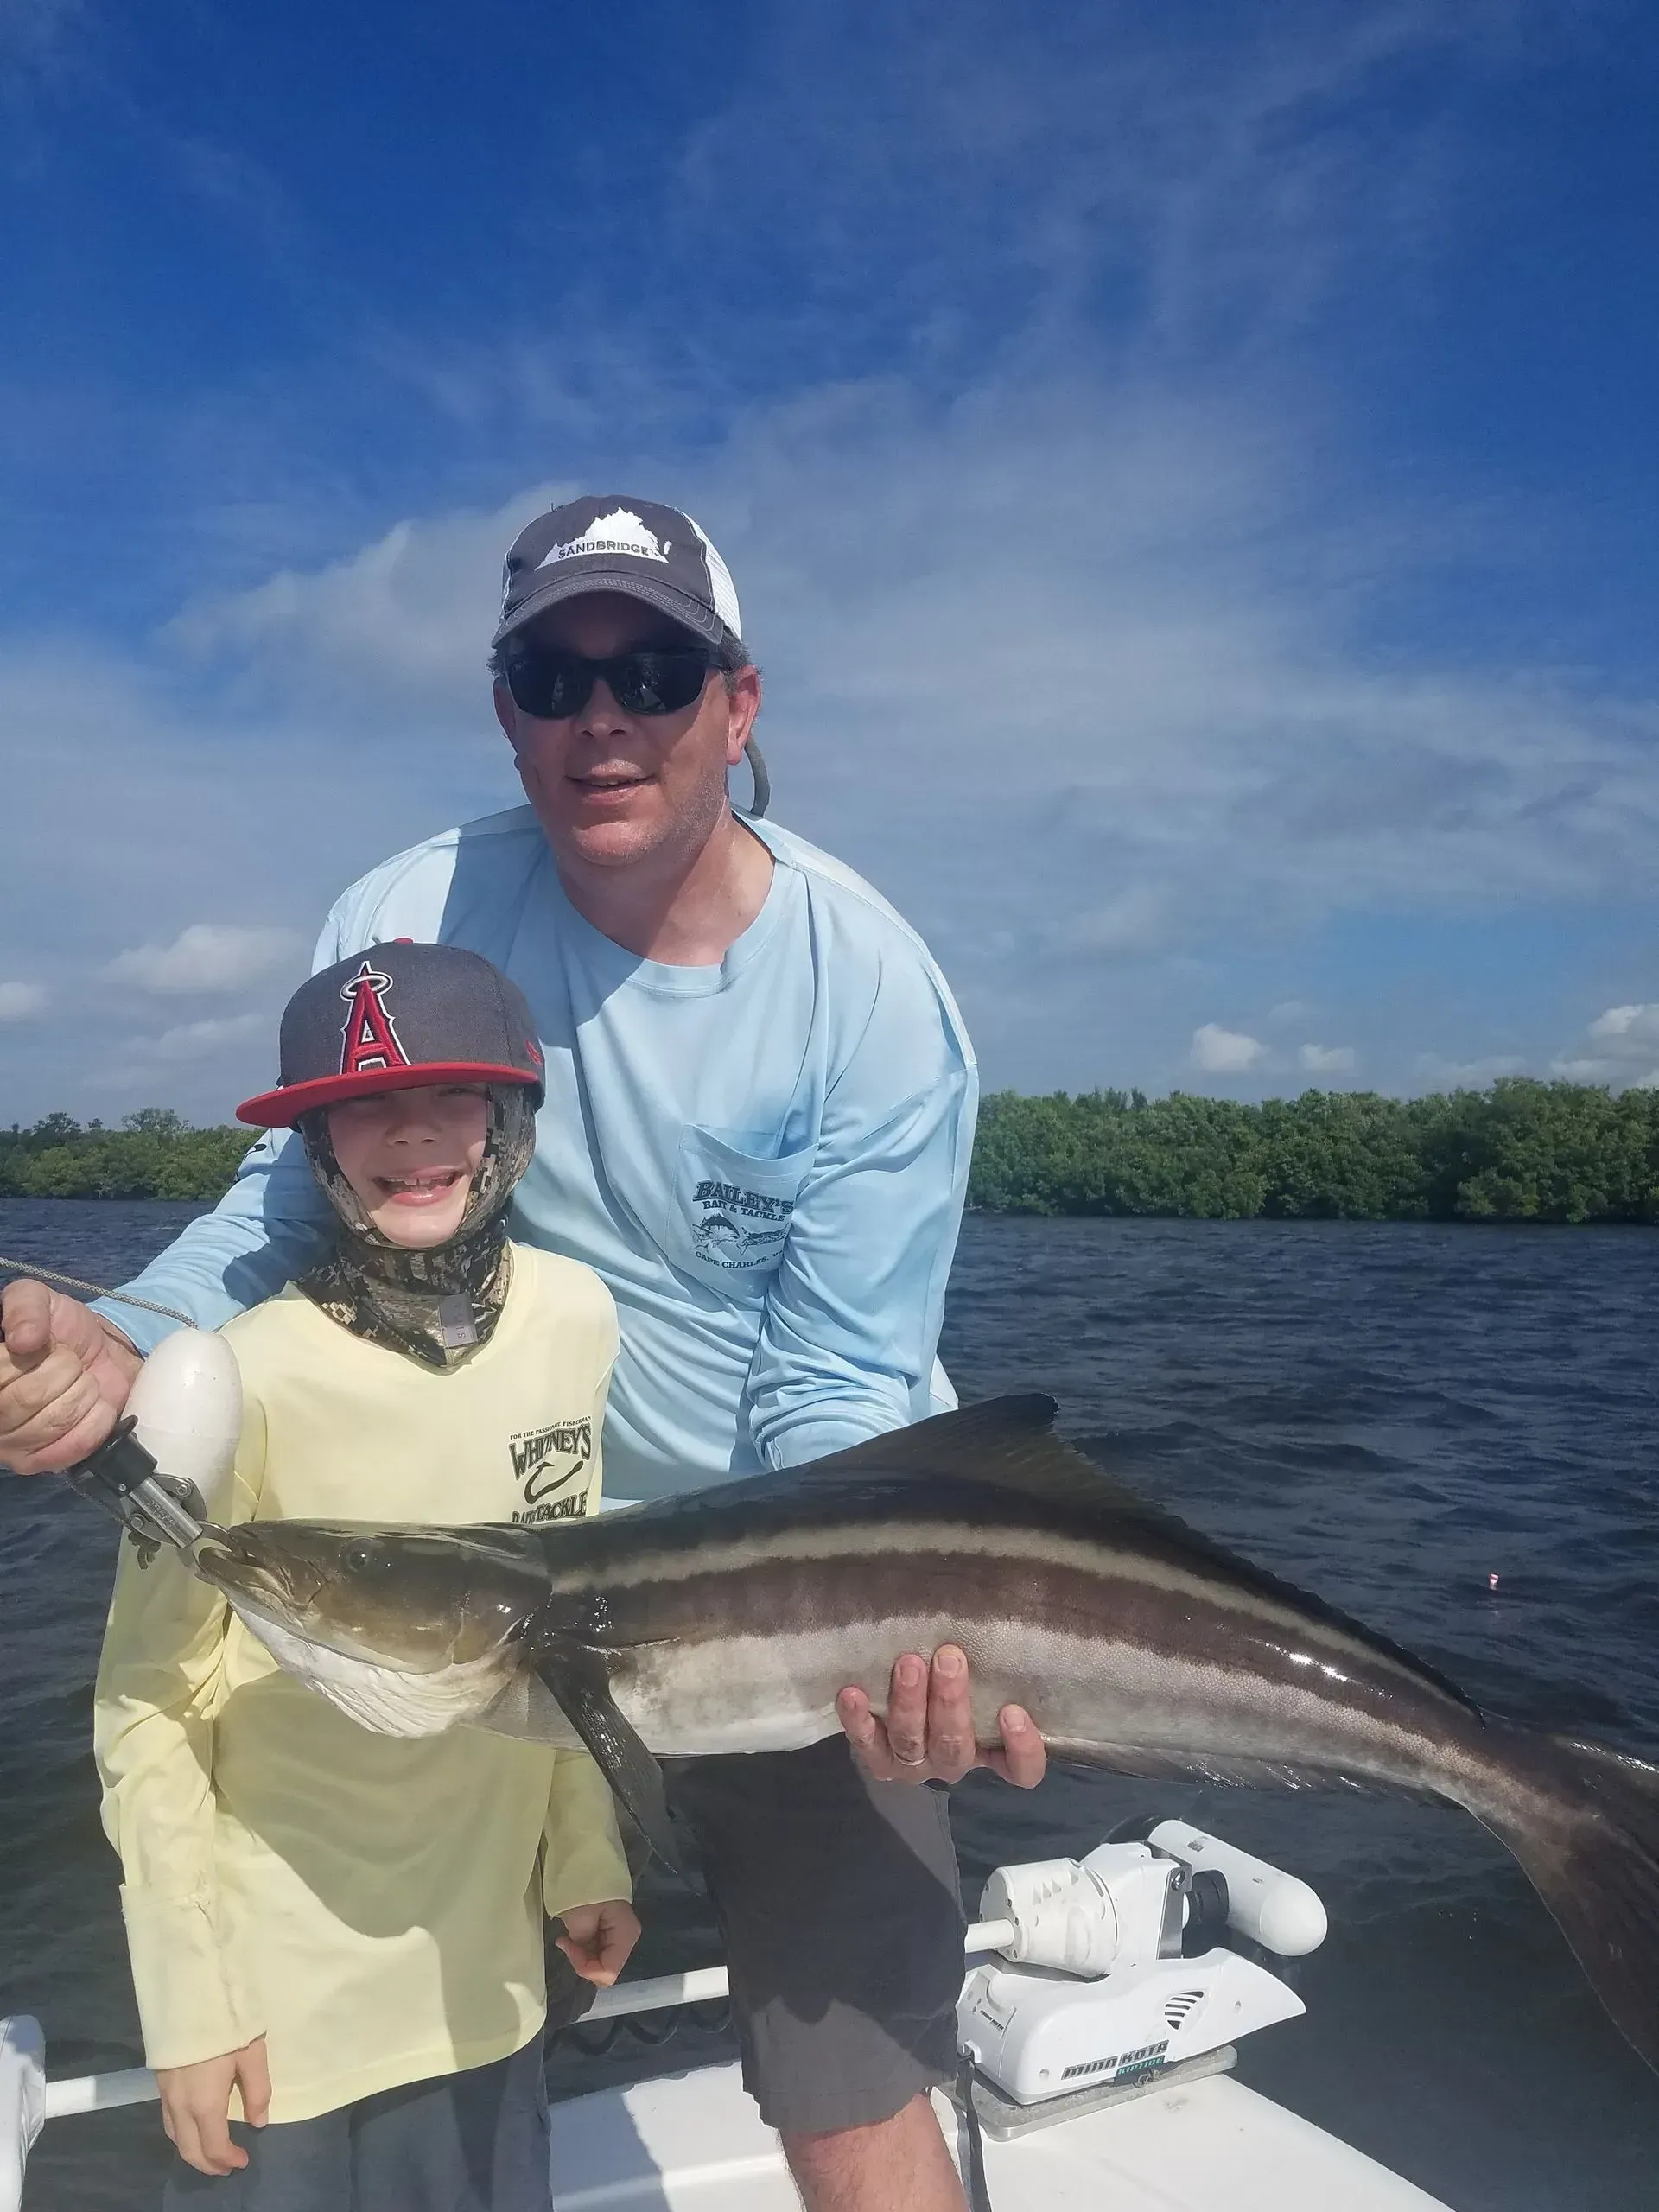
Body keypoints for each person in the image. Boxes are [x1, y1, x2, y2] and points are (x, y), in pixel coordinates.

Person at [0, 494, 1046, 2212]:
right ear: (506, 709)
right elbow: (278, 1207)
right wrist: (115, 1342)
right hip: (491, 1570)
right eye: (553, 677)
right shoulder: (411, 905)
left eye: (652, 666)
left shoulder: (868, 992)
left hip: (790, 1562)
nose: (603, 714)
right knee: (432, 2036)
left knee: (852, 2092)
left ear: (740, 703)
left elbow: (840, 1390)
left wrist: (872, 1647)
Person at [95, 942, 639, 2208]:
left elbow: (559, 1634)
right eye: (363, 1105)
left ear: (510, 1118)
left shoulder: (578, 1320)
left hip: (493, 1981)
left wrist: (587, 1858)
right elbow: (145, 1702)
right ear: (318, 1142)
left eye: (450, 1098)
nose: (411, 1138)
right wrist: (189, 1997)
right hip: (281, 2006)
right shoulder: (229, 1376)